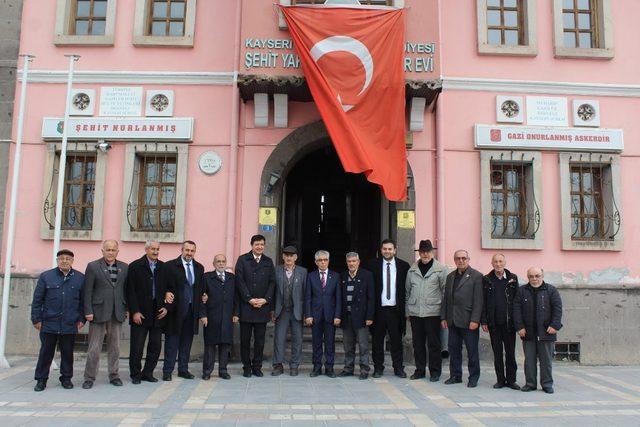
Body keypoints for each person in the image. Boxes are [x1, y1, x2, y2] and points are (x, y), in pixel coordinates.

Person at [31, 249, 85, 392]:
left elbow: (83, 302)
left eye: (68, 259)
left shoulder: (80, 278)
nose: (65, 261)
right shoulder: (46, 276)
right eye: (61, 258)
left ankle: (66, 378)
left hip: (70, 322)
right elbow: (37, 300)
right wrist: (36, 319)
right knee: (46, 353)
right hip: (49, 322)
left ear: (72, 261)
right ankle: (41, 380)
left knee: (68, 353)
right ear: (57, 260)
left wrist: (82, 319)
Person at [82, 240, 128, 389]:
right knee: (94, 348)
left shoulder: (124, 267)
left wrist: (126, 308)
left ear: (117, 251)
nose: (110, 252)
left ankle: (114, 375)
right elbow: (87, 290)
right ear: (102, 251)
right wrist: (88, 311)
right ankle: (89, 377)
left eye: (113, 250)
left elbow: (126, 290)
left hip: (117, 312)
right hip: (98, 312)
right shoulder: (93, 266)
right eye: (108, 249)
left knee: (115, 347)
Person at [513, 267, 563, 394]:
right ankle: (530, 384)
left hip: (546, 331)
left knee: (546, 361)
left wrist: (555, 325)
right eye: (531, 276)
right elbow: (516, 310)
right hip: (528, 332)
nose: (534, 279)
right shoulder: (521, 291)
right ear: (527, 277)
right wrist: (519, 327)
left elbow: (557, 309)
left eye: (537, 276)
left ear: (542, 276)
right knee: (529, 361)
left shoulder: (551, 290)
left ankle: (547, 384)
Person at [126, 240, 168, 384]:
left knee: (155, 346)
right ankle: (135, 374)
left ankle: (148, 373)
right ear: (146, 250)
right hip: (141, 313)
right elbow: (130, 291)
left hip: (158, 313)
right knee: (137, 347)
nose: (155, 251)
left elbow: (170, 289)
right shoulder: (135, 266)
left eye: (157, 249)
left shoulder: (163, 267)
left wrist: (166, 307)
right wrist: (135, 311)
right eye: (152, 249)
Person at [161, 240, 205, 381]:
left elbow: (200, 287)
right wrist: (165, 293)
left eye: (192, 251)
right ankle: (167, 371)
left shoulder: (199, 268)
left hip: (192, 310)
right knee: (172, 343)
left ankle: (183, 369)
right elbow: (163, 286)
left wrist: (205, 294)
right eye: (187, 250)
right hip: (175, 311)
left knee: (186, 342)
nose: (189, 253)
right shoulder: (170, 266)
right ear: (182, 250)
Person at [405, 240, 448, 382]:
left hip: (433, 313)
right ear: (419, 253)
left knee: (434, 344)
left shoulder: (440, 270)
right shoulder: (412, 270)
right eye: (422, 251)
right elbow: (407, 292)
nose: (425, 254)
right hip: (416, 312)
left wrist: (443, 315)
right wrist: (407, 312)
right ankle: (420, 370)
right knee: (418, 344)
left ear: (432, 252)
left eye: (427, 251)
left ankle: (435, 371)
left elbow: (444, 293)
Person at [235, 234, 276, 378]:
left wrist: (266, 299)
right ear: (251, 245)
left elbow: (272, 282)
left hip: (262, 307)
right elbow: (239, 281)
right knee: (245, 340)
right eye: (257, 244)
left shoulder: (268, 261)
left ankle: (257, 366)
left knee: (259, 341)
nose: (259, 247)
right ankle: (246, 366)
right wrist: (249, 299)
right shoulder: (242, 260)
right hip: (247, 306)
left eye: (262, 244)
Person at [367, 238, 410, 378]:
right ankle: (378, 368)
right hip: (378, 310)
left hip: (395, 310)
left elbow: (407, 289)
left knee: (396, 341)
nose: (387, 251)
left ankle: (398, 368)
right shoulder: (372, 265)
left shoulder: (404, 266)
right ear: (381, 250)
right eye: (384, 249)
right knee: (377, 341)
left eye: (390, 249)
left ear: (395, 250)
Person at [441, 249, 483, 388]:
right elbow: (446, 299)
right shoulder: (450, 276)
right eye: (458, 258)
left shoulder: (477, 276)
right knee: (454, 350)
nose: (461, 260)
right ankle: (455, 375)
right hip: (452, 320)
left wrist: (475, 320)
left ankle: (473, 377)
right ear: (454, 260)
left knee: (472, 351)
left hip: (469, 320)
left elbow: (479, 300)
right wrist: (444, 317)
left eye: (464, 258)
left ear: (468, 259)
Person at [481, 253, 520, 390]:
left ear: (505, 263)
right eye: (496, 261)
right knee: (497, 353)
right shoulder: (486, 279)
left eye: (500, 261)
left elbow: (517, 301)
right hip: (494, 324)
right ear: (492, 263)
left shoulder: (512, 279)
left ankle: (511, 380)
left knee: (510, 353)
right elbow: (483, 302)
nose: (498, 264)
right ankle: (500, 380)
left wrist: (517, 321)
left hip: (509, 324)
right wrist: (484, 321)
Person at [200, 254, 238, 380]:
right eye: (218, 261)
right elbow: (201, 298)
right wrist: (203, 315)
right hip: (211, 317)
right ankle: (207, 371)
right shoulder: (207, 277)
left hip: (227, 317)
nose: (221, 264)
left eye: (223, 261)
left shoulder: (232, 278)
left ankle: (223, 370)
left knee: (225, 345)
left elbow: (236, 298)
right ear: (213, 263)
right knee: (210, 345)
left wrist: (236, 314)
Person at [304, 250, 342, 378]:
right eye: (320, 260)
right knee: (316, 343)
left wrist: (337, 315)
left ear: (328, 261)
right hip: (315, 316)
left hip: (331, 316)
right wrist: (308, 315)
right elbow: (308, 297)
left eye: (325, 260)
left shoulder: (335, 276)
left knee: (330, 343)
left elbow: (338, 298)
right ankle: (317, 367)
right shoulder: (311, 276)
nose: (323, 262)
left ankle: (330, 368)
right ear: (316, 262)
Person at [272, 245, 308, 377]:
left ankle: (294, 365)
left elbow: (306, 293)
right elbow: (272, 291)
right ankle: (277, 365)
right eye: (286, 255)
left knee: (297, 339)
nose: (288, 257)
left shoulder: (303, 272)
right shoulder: (276, 271)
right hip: (281, 310)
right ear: (282, 256)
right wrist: (272, 310)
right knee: (279, 339)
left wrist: (306, 312)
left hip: (297, 310)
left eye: (291, 255)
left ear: (296, 257)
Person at [338, 252, 374, 380]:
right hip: (346, 317)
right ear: (346, 262)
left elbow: (371, 298)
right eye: (349, 261)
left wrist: (370, 316)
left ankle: (364, 369)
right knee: (348, 346)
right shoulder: (342, 276)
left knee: (363, 346)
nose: (351, 263)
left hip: (361, 317)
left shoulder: (367, 275)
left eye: (354, 261)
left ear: (358, 262)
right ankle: (348, 368)